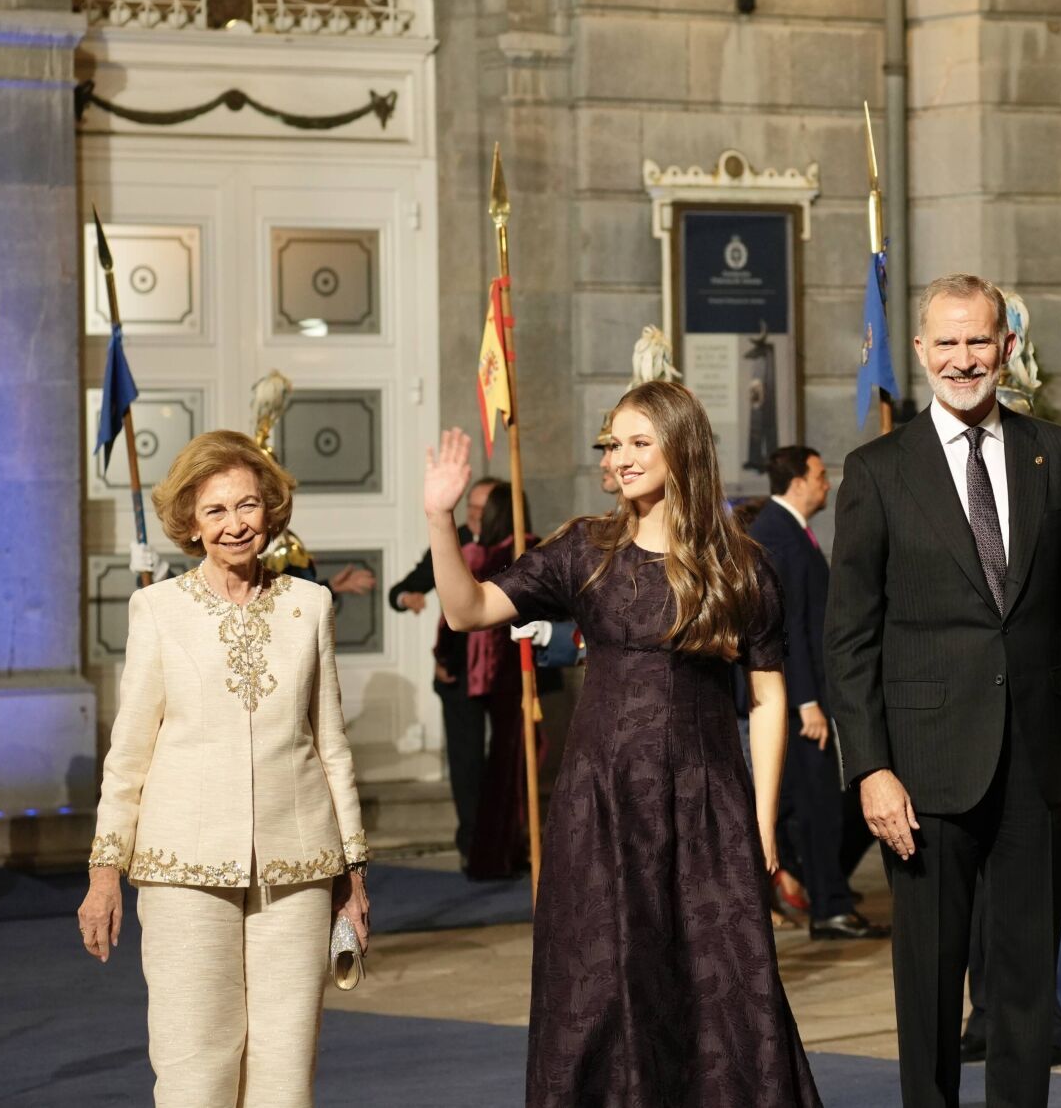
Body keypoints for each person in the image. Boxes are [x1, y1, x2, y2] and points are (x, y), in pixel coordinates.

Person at [419, 383, 822, 1107]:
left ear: (681, 445)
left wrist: (761, 821)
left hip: (706, 799)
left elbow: (769, 697)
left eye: (641, 441)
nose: (623, 456)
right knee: (607, 979)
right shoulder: (586, 550)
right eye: (615, 442)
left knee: (720, 976)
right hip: (601, 800)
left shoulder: (741, 564)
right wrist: (439, 518)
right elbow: (466, 607)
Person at [824, 273, 1061, 1108]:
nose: (963, 358)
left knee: (1026, 978)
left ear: (1007, 348)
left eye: (978, 340)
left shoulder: (1057, 455)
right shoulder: (877, 470)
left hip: (1038, 761)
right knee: (929, 979)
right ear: (918, 351)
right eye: (946, 342)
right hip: (920, 770)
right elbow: (849, 638)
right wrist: (870, 767)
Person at [77, 430, 370, 1108]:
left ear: (271, 510)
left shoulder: (310, 605)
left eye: (247, 505)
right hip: (182, 867)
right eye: (215, 510)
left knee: (285, 1065)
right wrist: (103, 872)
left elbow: (331, 743)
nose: (235, 523)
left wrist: (351, 872)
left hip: (298, 868)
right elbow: (128, 754)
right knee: (194, 1064)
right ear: (189, 521)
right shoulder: (158, 609)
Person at [752, 444, 887, 941]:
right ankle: (826, 905)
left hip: (805, 698)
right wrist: (807, 701)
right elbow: (785, 629)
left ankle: (821, 890)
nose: (826, 484)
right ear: (796, 482)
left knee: (824, 804)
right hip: (795, 704)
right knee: (817, 806)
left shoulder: (790, 531)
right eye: (819, 475)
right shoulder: (776, 535)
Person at [387, 475, 496, 856]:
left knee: (504, 760)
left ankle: (503, 843)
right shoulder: (456, 536)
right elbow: (400, 589)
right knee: (465, 762)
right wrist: (407, 597)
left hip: (505, 670)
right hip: (458, 668)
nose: (475, 516)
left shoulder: (517, 541)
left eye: (484, 510)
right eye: (472, 508)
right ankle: (472, 845)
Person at [456, 481, 535, 881]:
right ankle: (494, 854)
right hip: (508, 674)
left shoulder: (516, 547)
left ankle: (511, 847)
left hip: (517, 672)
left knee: (519, 765)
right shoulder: (502, 553)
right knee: (507, 767)